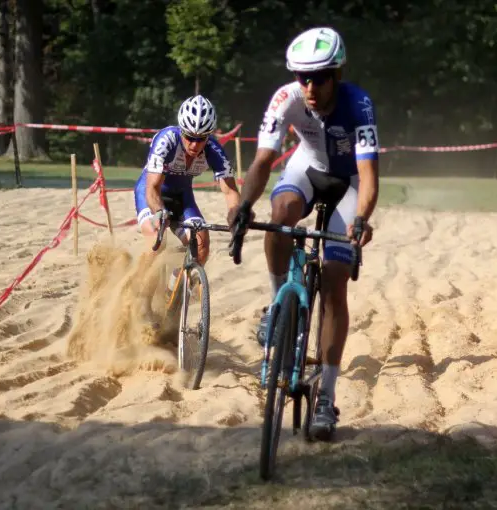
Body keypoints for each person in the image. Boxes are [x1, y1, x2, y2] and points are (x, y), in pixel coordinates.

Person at [227, 27, 379, 440]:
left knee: (333, 282)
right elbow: (263, 160)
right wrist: (243, 206)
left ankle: (326, 397)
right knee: (280, 212)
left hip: (346, 183)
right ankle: (279, 301)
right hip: (307, 170)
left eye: (319, 78)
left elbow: (367, 176)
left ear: (337, 74)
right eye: (302, 78)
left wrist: (361, 219)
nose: (310, 87)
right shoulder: (287, 99)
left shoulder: (358, 104)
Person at [134, 95, 240, 294]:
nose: (195, 144)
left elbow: (230, 190)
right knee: (158, 242)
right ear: (181, 130)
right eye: (190, 137)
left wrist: (237, 217)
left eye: (201, 138)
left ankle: (172, 292)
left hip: (182, 196)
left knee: (201, 245)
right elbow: (152, 188)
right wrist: (159, 212)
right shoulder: (166, 140)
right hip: (153, 195)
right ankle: (137, 293)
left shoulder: (214, 149)